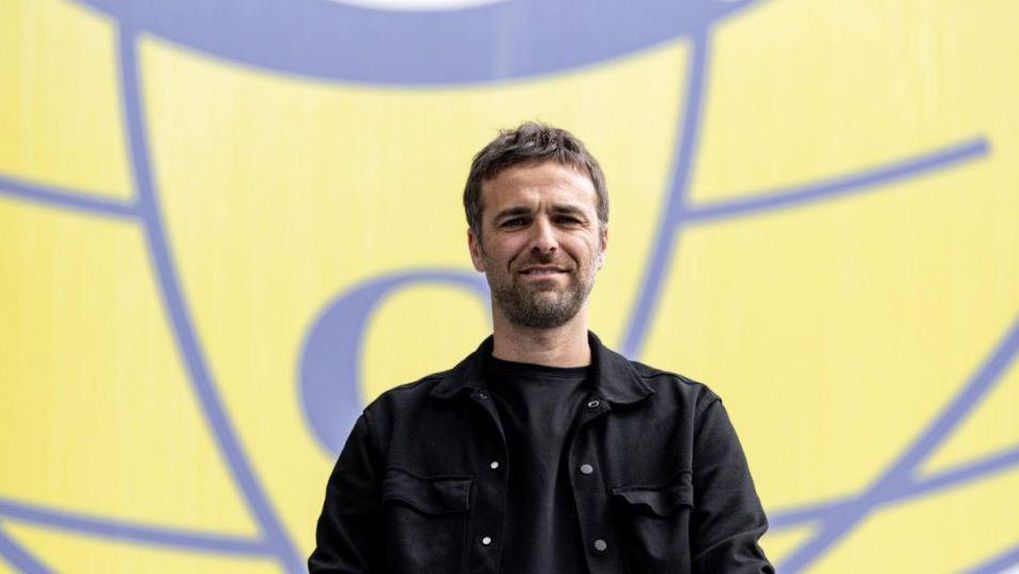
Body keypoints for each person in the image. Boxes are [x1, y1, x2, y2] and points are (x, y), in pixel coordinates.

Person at [309, 122, 773, 573]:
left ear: (602, 243)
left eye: (567, 219)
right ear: (476, 247)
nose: (544, 241)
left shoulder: (688, 424)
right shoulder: (392, 431)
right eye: (516, 221)